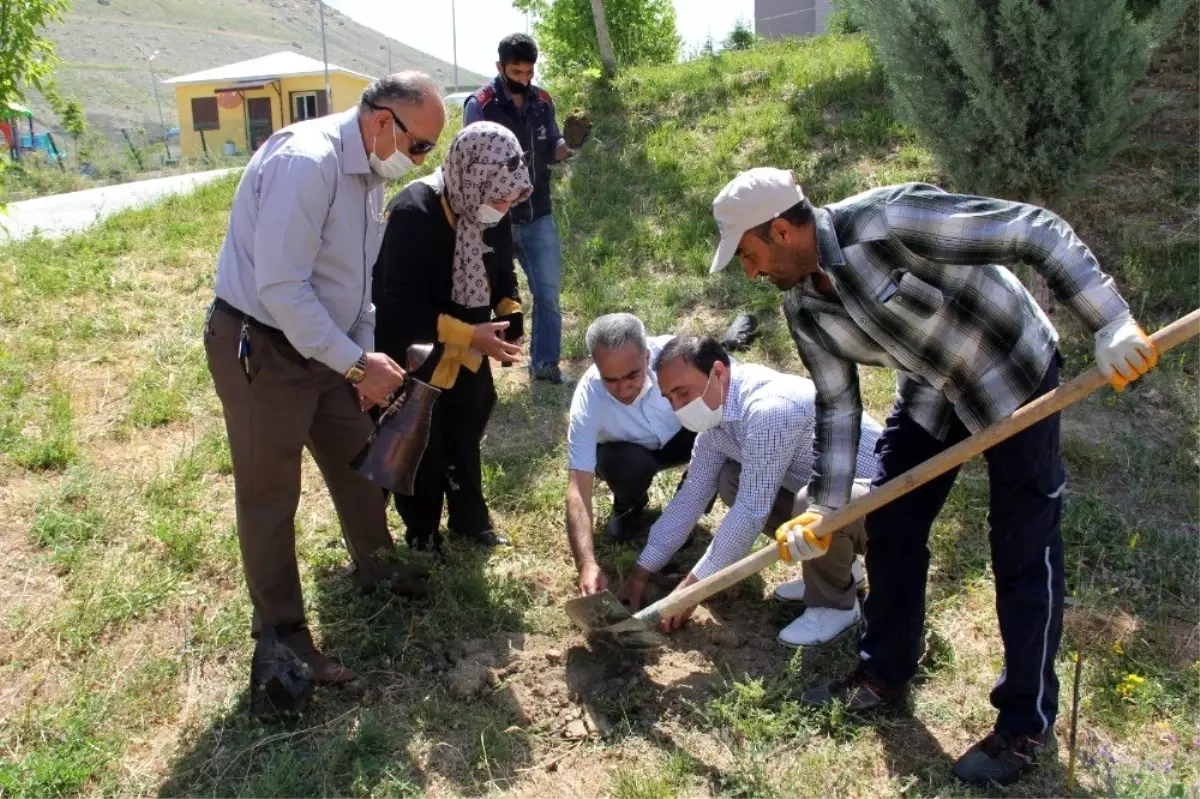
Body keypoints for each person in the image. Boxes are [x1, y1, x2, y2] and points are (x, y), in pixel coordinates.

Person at [708, 168, 1159, 785]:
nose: (751, 273)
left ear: (783, 229)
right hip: (934, 389)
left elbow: (1036, 232)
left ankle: (1024, 724)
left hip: (1011, 372)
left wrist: (1109, 319)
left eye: (751, 255)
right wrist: (827, 509)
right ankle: (883, 672)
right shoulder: (804, 308)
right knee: (891, 523)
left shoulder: (891, 222)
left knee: (1022, 552)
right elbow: (837, 405)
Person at [204, 73, 447, 687]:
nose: (421, 161)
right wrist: (358, 364)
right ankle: (282, 635)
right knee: (269, 495)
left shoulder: (366, 175)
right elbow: (282, 290)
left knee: (356, 458)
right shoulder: (306, 163)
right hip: (263, 347)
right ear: (382, 121)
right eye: (420, 146)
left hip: (325, 347)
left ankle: (377, 563)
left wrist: (358, 361)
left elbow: (354, 289)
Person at [618, 336, 884, 647]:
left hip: (887, 503)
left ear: (718, 372)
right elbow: (691, 496)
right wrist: (641, 571)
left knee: (808, 501)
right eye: (669, 398)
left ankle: (834, 604)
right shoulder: (718, 421)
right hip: (838, 499)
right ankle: (837, 569)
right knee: (731, 478)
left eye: (683, 393)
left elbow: (750, 512)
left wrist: (694, 589)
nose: (678, 407)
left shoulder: (770, 409)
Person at [373, 122, 531, 552]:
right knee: (423, 444)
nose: (503, 208)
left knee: (464, 433)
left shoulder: (488, 207)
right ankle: (422, 534)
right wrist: (467, 334)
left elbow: (502, 274)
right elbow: (397, 301)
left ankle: (469, 519)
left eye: (511, 198)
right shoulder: (414, 212)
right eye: (498, 198)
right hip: (415, 352)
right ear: (472, 176)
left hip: (469, 351)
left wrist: (509, 312)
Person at [464, 33, 585, 385]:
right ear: (499, 67)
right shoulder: (480, 105)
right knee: (481, 298)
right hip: (494, 219)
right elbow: (471, 161)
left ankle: (545, 364)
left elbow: (553, 151)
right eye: (516, 72)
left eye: (529, 72)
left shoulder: (543, 101)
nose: (524, 79)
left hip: (538, 215)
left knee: (548, 295)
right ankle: (474, 371)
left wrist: (572, 144)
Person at [565, 314, 696, 595]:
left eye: (632, 375)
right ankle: (629, 505)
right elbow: (578, 487)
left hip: (681, 438)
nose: (624, 389)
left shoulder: (678, 357)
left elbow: (732, 394)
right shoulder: (588, 399)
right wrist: (586, 563)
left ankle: (686, 509)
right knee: (627, 466)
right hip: (626, 454)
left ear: (648, 357)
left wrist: (685, 511)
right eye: (610, 380)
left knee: (717, 431)